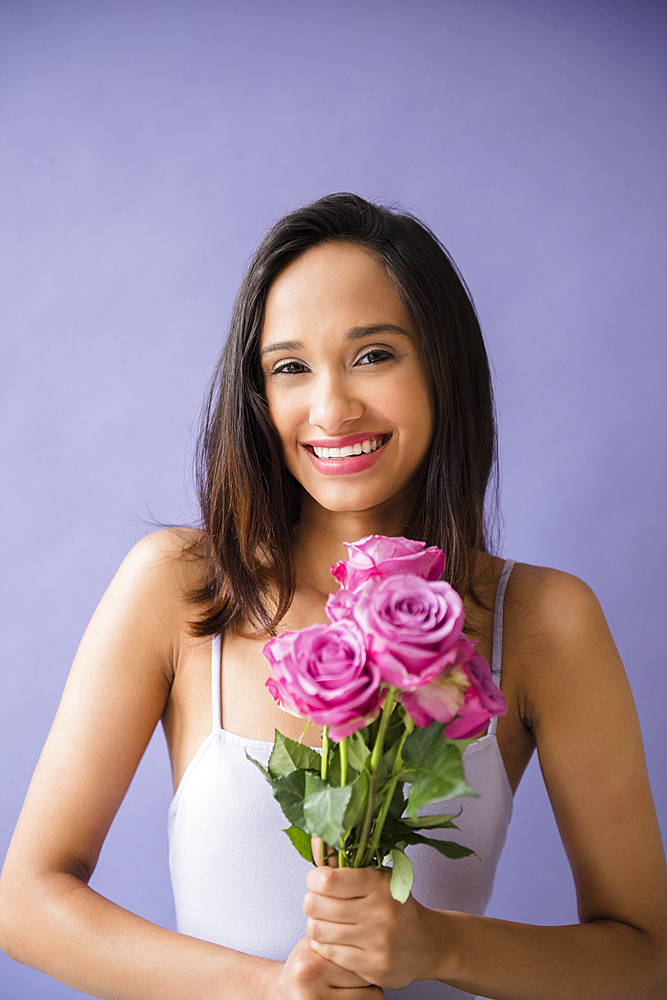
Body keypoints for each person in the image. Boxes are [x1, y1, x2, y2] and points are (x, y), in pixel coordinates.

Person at [0, 193, 665, 1000]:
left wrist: (439, 946)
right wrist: (264, 991)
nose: (331, 409)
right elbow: (26, 902)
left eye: (373, 354)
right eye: (289, 368)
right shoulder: (177, 588)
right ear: (258, 395)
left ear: (442, 367)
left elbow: (646, 957)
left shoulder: (544, 620)